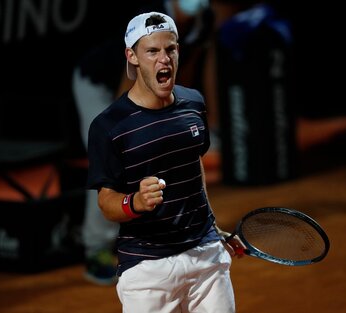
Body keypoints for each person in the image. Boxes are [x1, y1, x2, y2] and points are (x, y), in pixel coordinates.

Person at [86, 11, 245, 312]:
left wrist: (211, 226)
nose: (164, 59)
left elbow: (193, 164)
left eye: (170, 49)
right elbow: (105, 201)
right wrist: (134, 202)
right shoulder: (109, 126)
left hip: (204, 255)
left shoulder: (193, 104)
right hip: (148, 270)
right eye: (152, 51)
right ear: (131, 56)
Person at [72, 0, 216, 286]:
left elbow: (184, 71)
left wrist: (174, 115)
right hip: (100, 84)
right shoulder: (147, 15)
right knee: (111, 169)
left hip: (146, 90)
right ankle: (96, 248)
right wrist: (134, 136)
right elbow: (127, 101)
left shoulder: (202, 21)